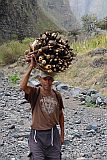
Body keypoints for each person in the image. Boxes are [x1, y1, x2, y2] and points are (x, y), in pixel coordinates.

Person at [20, 54, 64, 160]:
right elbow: (22, 86)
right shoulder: (35, 92)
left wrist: (62, 135)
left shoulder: (57, 95)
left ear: (53, 81)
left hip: (53, 134)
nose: (47, 82)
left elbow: (61, 115)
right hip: (37, 135)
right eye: (45, 79)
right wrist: (31, 67)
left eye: (50, 79)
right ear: (40, 79)